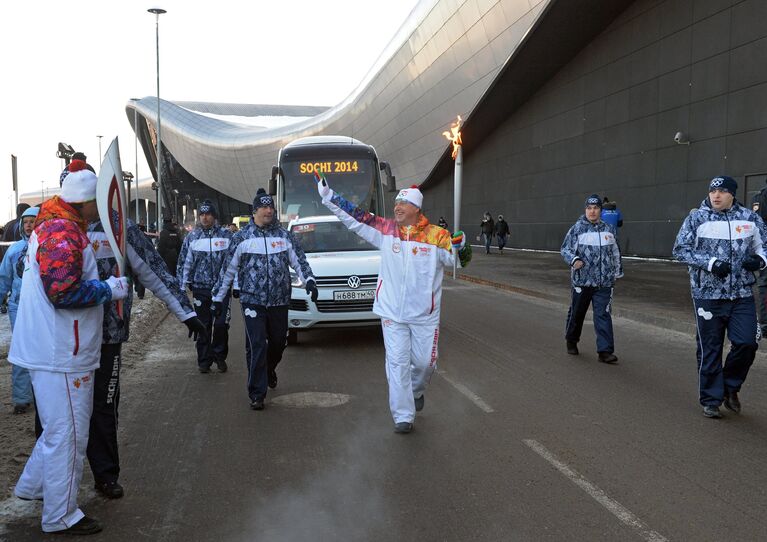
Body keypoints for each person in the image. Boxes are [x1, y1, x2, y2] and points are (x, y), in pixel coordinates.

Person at [9, 160, 129, 535]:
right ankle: (60, 515)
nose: (103, 209)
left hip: (56, 347)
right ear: (86, 200)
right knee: (70, 435)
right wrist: (111, 289)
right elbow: (63, 292)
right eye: (99, 201)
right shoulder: (62, 232)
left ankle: (33, 487)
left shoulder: (55, 224)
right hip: (62, 352)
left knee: (57, 430)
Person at [79, 186, 205, 500]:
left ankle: (105, 475)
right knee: (57, 413)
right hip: (67, 338)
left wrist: (184, 311)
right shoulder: (56, 227)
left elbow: (153, 270)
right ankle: (48, 481)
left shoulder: (119, 226)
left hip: (107, 333)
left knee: (104, 407)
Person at [317, 178, 471, 433]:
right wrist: (329, 195)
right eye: (397, 202)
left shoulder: (437, 236)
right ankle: (403, 415)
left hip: (424, 315)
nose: (397, 207)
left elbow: (460, 262)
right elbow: (356, 217)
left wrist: (461, 245)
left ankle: (416, 389)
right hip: (391, 311)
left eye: (403, 203)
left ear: (416, 209)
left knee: (425, 364)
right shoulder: (386, 230)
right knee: (397, 362)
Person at [211, 188, 317, 411]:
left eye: (271, 207)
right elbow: (227, 271)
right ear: (255, 211)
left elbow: (299, 261)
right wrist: (218, 299)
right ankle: (257, 393)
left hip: (279, 300)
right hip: (253, 300)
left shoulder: (284, 236)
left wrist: (309, 280)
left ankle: (269, 369)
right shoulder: (241, 238)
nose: (269, 211)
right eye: (264, 207)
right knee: (257, 343)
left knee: (278, 342)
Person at [673, 176, 767, 419]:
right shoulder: (697, 218)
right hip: (707, 295)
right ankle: (711, 399)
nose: (716, 195)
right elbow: (680, 250)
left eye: (723, 191)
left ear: (733, 194)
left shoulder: (750, 218)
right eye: (713, 190)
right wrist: (711, 263)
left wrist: (760, 260)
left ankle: (729, 387)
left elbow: (763, 247)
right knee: (710, 347)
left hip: (742, 294)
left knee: (747, 342)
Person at [561, 194, 622, 364]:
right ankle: (571, 340)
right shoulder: (577, 229)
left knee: (603, 315)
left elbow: (616, 252)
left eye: (595, 208)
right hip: (582, 282)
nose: (592, 211)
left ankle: (605, 351)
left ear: (600, 211)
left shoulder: (609, 229)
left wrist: (617, 272)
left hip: (604, 282)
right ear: (585, 210)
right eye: (589, 208)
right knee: (577, 313)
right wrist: (574, 260)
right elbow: (565, 249)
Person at [177, 200, 233, 373]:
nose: (205, 217)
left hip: (222, 289)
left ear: (214, 216)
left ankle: (219, 355)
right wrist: (182, 284)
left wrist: (235, 283)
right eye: (202, 214)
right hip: (200, 288)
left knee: (222, 324)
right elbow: (184, 262)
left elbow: (233, 262)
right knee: (203, 324)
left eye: (208, 214)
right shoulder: (192, 237)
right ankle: (204, 359)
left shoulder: (225, 235)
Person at [0, 206, 39, 413]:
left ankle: (42, 393)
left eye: (33, 221)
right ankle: (22, 398)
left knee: (41, 349)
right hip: (18, 306)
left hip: (41, 307)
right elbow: (3, 278)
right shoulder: (14, 250)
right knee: (21, 349)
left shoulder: (48, 248)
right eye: (25, 222)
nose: (29, 226)